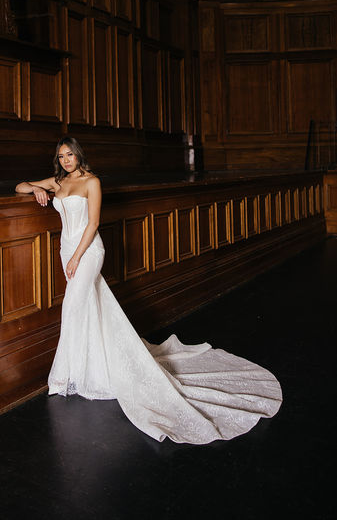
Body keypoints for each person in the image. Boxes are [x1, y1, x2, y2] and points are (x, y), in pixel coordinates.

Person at [15, 137, 282, 444]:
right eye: (61, 156)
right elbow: (19, 186)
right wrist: (36, 188)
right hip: (66, 250)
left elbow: (93, 223)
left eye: (70, 155)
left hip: (87, 252)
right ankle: (90, 368)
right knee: (88, 307)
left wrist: (77, 256)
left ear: (79, 155)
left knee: (71, 306)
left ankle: (61, 378)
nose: (65, 160)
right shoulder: (57, 182)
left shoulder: (92, 182)